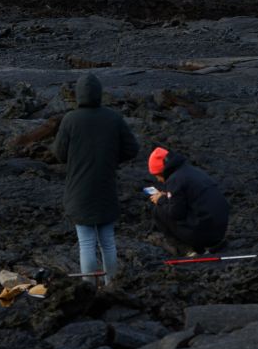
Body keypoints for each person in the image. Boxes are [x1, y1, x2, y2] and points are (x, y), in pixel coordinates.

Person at [53, 73, 139, 285]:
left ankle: (88, 287)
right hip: (105, 187)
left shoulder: (70, 120)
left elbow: (59, 154)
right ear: (100, 94)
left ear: (78, 95)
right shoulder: (113, 118)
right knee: (108, 243)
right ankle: (112, 285)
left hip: (78, 190)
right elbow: (132, 149)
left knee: (86, 243)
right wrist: (110, 158)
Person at [146, 146, 229, 254]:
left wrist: (161, 200)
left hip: (204, 234)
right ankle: (207, 243)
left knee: (158, 211)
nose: (157, 179)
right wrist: (168, 197)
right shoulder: (189, 170)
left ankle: (184, 249)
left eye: (156, 175)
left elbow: (176, 214)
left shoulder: (175, 180)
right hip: (219, 230)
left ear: (161, 171)